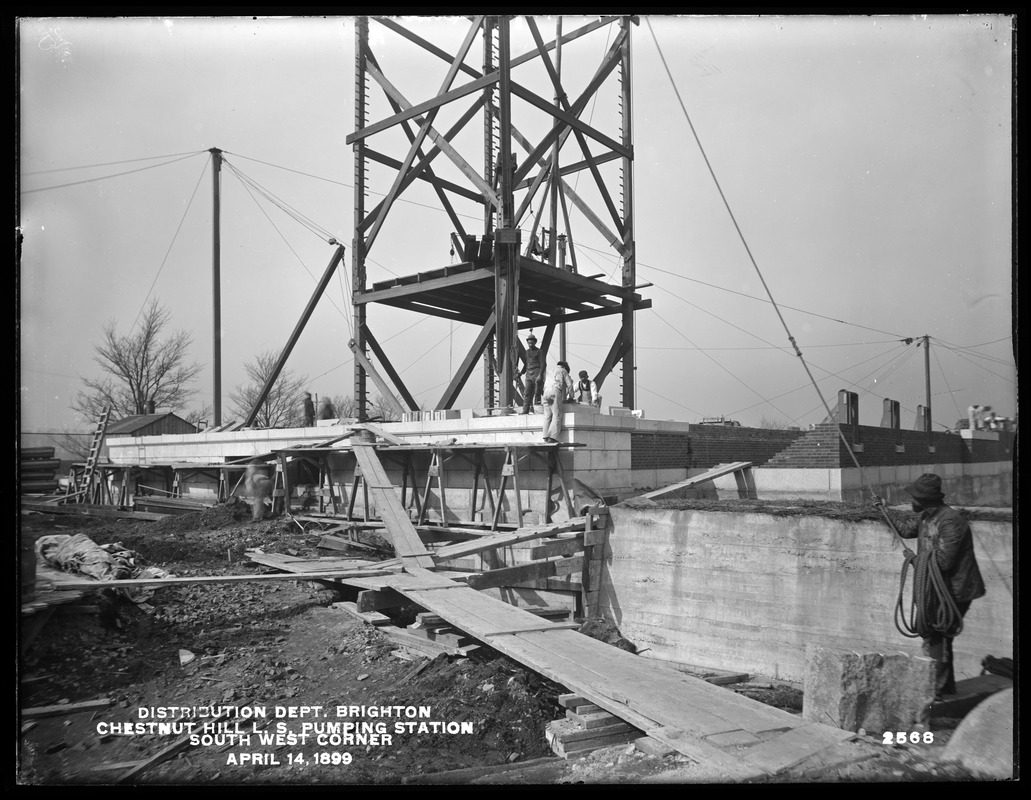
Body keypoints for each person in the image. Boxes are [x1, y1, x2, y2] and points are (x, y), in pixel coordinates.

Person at [874, 473, 985, 698]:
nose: (911, 501)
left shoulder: (950, 521)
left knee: (937, 635)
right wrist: (883, 511)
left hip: (956, 589)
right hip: (939, 587)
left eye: (914, 497)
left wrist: (916, 560)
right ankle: (944, 688)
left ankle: (936, 691)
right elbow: (905, 530)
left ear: (925, 499)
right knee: (937, 636)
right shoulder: (926, 516)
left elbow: (944, 561)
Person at [541, 360, 574, 443]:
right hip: (555, 390)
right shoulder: (563, 370)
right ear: (565, 367)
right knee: (557, 414)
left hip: (545, 393)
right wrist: (571, 397)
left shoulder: (550, 371)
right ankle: (552, 437)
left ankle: (545, 436)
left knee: (547, 415)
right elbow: (569, 384)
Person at [519, 333, 544, 414]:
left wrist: (540, 375)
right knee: (526, 393)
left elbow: (543, 364)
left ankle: (537, 411)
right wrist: (521, 373)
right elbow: (526, 364)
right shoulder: (527, 352)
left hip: (537, 373)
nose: (530, 344)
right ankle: (525, 411)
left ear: (535, 342)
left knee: (537, 393)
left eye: (532, 343)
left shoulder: (539, 351)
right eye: (529, 343)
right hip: (529, 375)